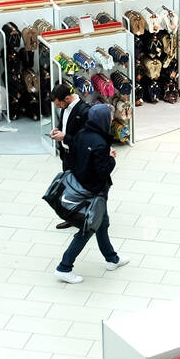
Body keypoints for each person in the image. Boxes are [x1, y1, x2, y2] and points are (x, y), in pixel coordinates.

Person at [54, 104, 130, 283]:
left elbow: (74, 150)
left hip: (82, 186)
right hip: (95, 192)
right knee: (87, 230)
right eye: (109, 117)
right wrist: (110, 158)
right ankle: (64, 267)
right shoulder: (100, 142)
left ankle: (112, 259)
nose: (111, 120)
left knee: (103, 224)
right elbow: (103, 171)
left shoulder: (81, 134)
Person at [48, 81, 88, 174]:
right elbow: (63, 125)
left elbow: (84, 140)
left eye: (58, 105)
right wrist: (57, 130)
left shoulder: (84, 111)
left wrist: (64, 137)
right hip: (66, 156)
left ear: (67, 98)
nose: (58, 107)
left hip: (78, 157)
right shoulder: (64, 107)